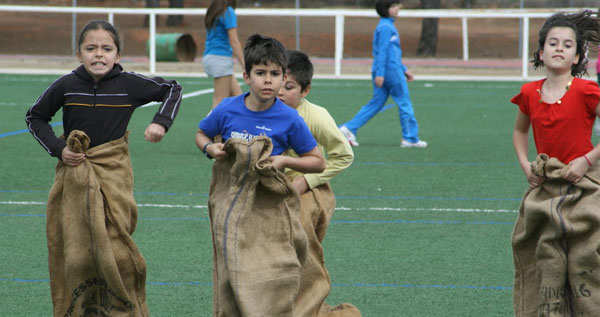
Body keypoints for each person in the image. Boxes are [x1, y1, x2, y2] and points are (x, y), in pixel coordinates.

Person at [25, 20, 182, 316]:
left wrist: (161, 123)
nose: (99, 55)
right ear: (79, 53)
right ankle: (83, 307)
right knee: (77, 253)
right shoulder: (67, 85)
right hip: (76, 176)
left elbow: (172, 89)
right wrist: (60, 149)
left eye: (107, 49)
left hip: (114, 174)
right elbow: (35, 117)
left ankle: (123, 307)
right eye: (91, 48)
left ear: (118, 55)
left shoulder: (129, 84)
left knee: (116, 248)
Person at [195, 34, 325, 316]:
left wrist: (284, 161)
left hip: (269, 206)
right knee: (232, 267)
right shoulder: (227, 109)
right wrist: (209, 147)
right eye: (261, 73)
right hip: (229, 201)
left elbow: (318, 162)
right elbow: (201, 132)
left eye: (275, 74)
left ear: (283, 78)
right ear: (246, 76)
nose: (268, 80)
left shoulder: (290, 118)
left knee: (271, 266)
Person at [510, 10, 600, 317]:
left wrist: (586, 161)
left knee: (583, 260)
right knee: (545, 259)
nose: (559, 48)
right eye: (552, 43)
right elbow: (520, 131)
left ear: (576, 56)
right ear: (540, 52)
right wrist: (526, 165)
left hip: (585, 184)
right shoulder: (529, 93)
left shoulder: (586, 90)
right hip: (547, 185)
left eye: (567, 44)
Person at [278, 50, 361, 317]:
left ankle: (309, 309)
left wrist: (308, 181)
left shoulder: (317, 116)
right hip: (272, 189)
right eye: (277, 83)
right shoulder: (261, 111)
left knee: (301, 238)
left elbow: (343, 155)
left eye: (288, 87)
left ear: (305, 89)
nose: (280, 92)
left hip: (309, 190)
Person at [339, 0, 427, 148]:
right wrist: (381, 73)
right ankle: (410, 138)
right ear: (387, 10)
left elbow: (392, 53)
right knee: (404, 102)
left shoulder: (386, 26)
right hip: (390, 72)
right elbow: (383, 52)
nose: (399, 8)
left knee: (376, 103)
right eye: (394, 6)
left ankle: (348, 129)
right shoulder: (386, 27)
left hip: (388, 70)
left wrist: (404, 69)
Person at [203, 0, 244, 109]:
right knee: (220, 103)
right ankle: (205, 127)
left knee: (239, 98)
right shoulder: (228, 11)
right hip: (221, 59)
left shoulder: (213, 10)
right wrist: (244, 64)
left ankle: (244, 125)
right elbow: (234, 41)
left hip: (210, 57)